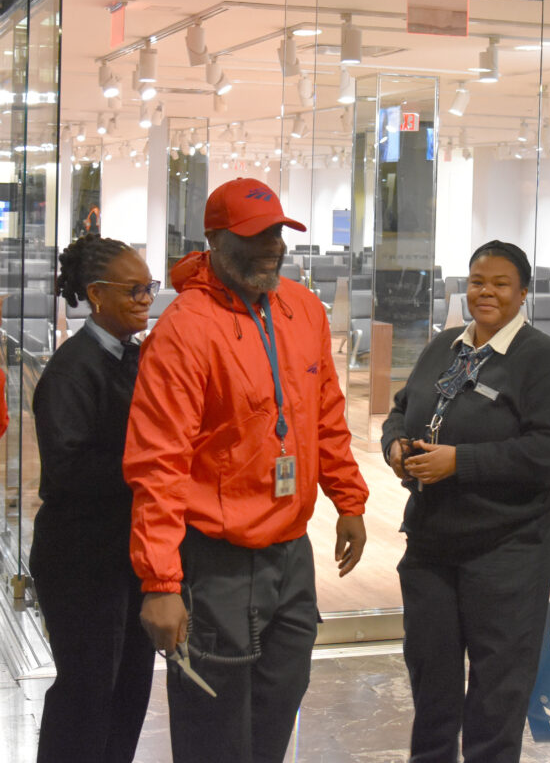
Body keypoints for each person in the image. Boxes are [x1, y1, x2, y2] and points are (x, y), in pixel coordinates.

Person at [123, 177, 369, 763]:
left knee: (277, 711)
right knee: (213, 728)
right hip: (215, 563)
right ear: (214, 240)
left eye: (278, 234)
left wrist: (349, 499)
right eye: (255, 236)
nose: (271, 248)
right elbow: (158, 463)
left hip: (291, 555)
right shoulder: (184, 328)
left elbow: (324, 416)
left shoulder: (303, 310)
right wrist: (161, 582)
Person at [381, 240, 550, 763]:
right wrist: (396, 446)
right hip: (430, 545)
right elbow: (401, 410)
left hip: (507, 549)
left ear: (523, 293)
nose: (485, 292)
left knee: (497, 689)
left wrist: (459, 462)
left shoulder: (542, 359)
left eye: (500, 284)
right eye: (476, 281)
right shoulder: (444, 345)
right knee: (432, 682)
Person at [30, 234, 158, 762]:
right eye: (135, 290)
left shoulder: (132, 358)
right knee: (85, 696)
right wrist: (153, 466)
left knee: (129, 693)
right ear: (97, 295)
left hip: (124, 555)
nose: (147, 299)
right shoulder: (72, 369)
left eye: (151, 288)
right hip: (80, 560)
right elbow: (68, 470)